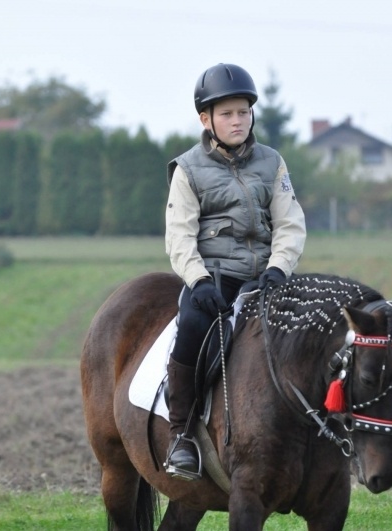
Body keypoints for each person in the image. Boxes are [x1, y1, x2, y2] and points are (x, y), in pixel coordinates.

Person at [163, 63, 307, 479]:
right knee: (191, 327)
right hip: (214, 281)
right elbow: (179, 236)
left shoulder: (272, 162)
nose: (237, 121)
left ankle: (321, 432)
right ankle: (181, 436)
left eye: (243, 112)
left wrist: (279, 269)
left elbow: (290, 223)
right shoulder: (187, 169)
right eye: (227, 114)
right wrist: (199, 281)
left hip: (267, 279)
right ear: (205, 119)